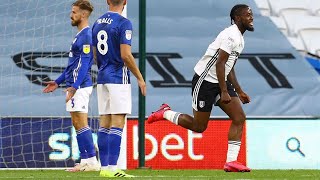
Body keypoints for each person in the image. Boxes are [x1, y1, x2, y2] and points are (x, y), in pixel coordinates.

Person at [147, 4, 254, 172]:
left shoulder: (240, 38)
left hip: (221, 80)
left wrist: (239, 91)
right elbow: (219, 63)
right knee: (199, 126)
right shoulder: (231, 36)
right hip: (205, 81)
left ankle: (231, 162)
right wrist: (224, 91)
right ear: (238, 18)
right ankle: (165, 112)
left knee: (239, 117)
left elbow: (229, 66)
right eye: (248, 15)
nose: (251, 18)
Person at [43, 0, 100, 172]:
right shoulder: (80, 34)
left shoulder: (87, 35)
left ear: (83, 15)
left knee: (81, 123)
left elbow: (84, 64)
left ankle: (91, 161)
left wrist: (74, 86)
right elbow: (72, 65)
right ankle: (86, 160)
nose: (71, 15)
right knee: (77, 123)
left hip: (80, 86)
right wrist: (58, 81)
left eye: (74, 12)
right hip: (75, 85)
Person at [92, 0, 146, 177]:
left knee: (104, 123)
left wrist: (104, 66)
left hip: (102, 76)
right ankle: (113, 168)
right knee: (118, 122)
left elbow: (94, 56)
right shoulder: (124, 23)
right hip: (118, 76)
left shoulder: (97, 22)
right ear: (125, 2)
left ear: (107, 1)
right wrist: (140, 77)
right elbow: (126, 55)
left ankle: (104, 168)